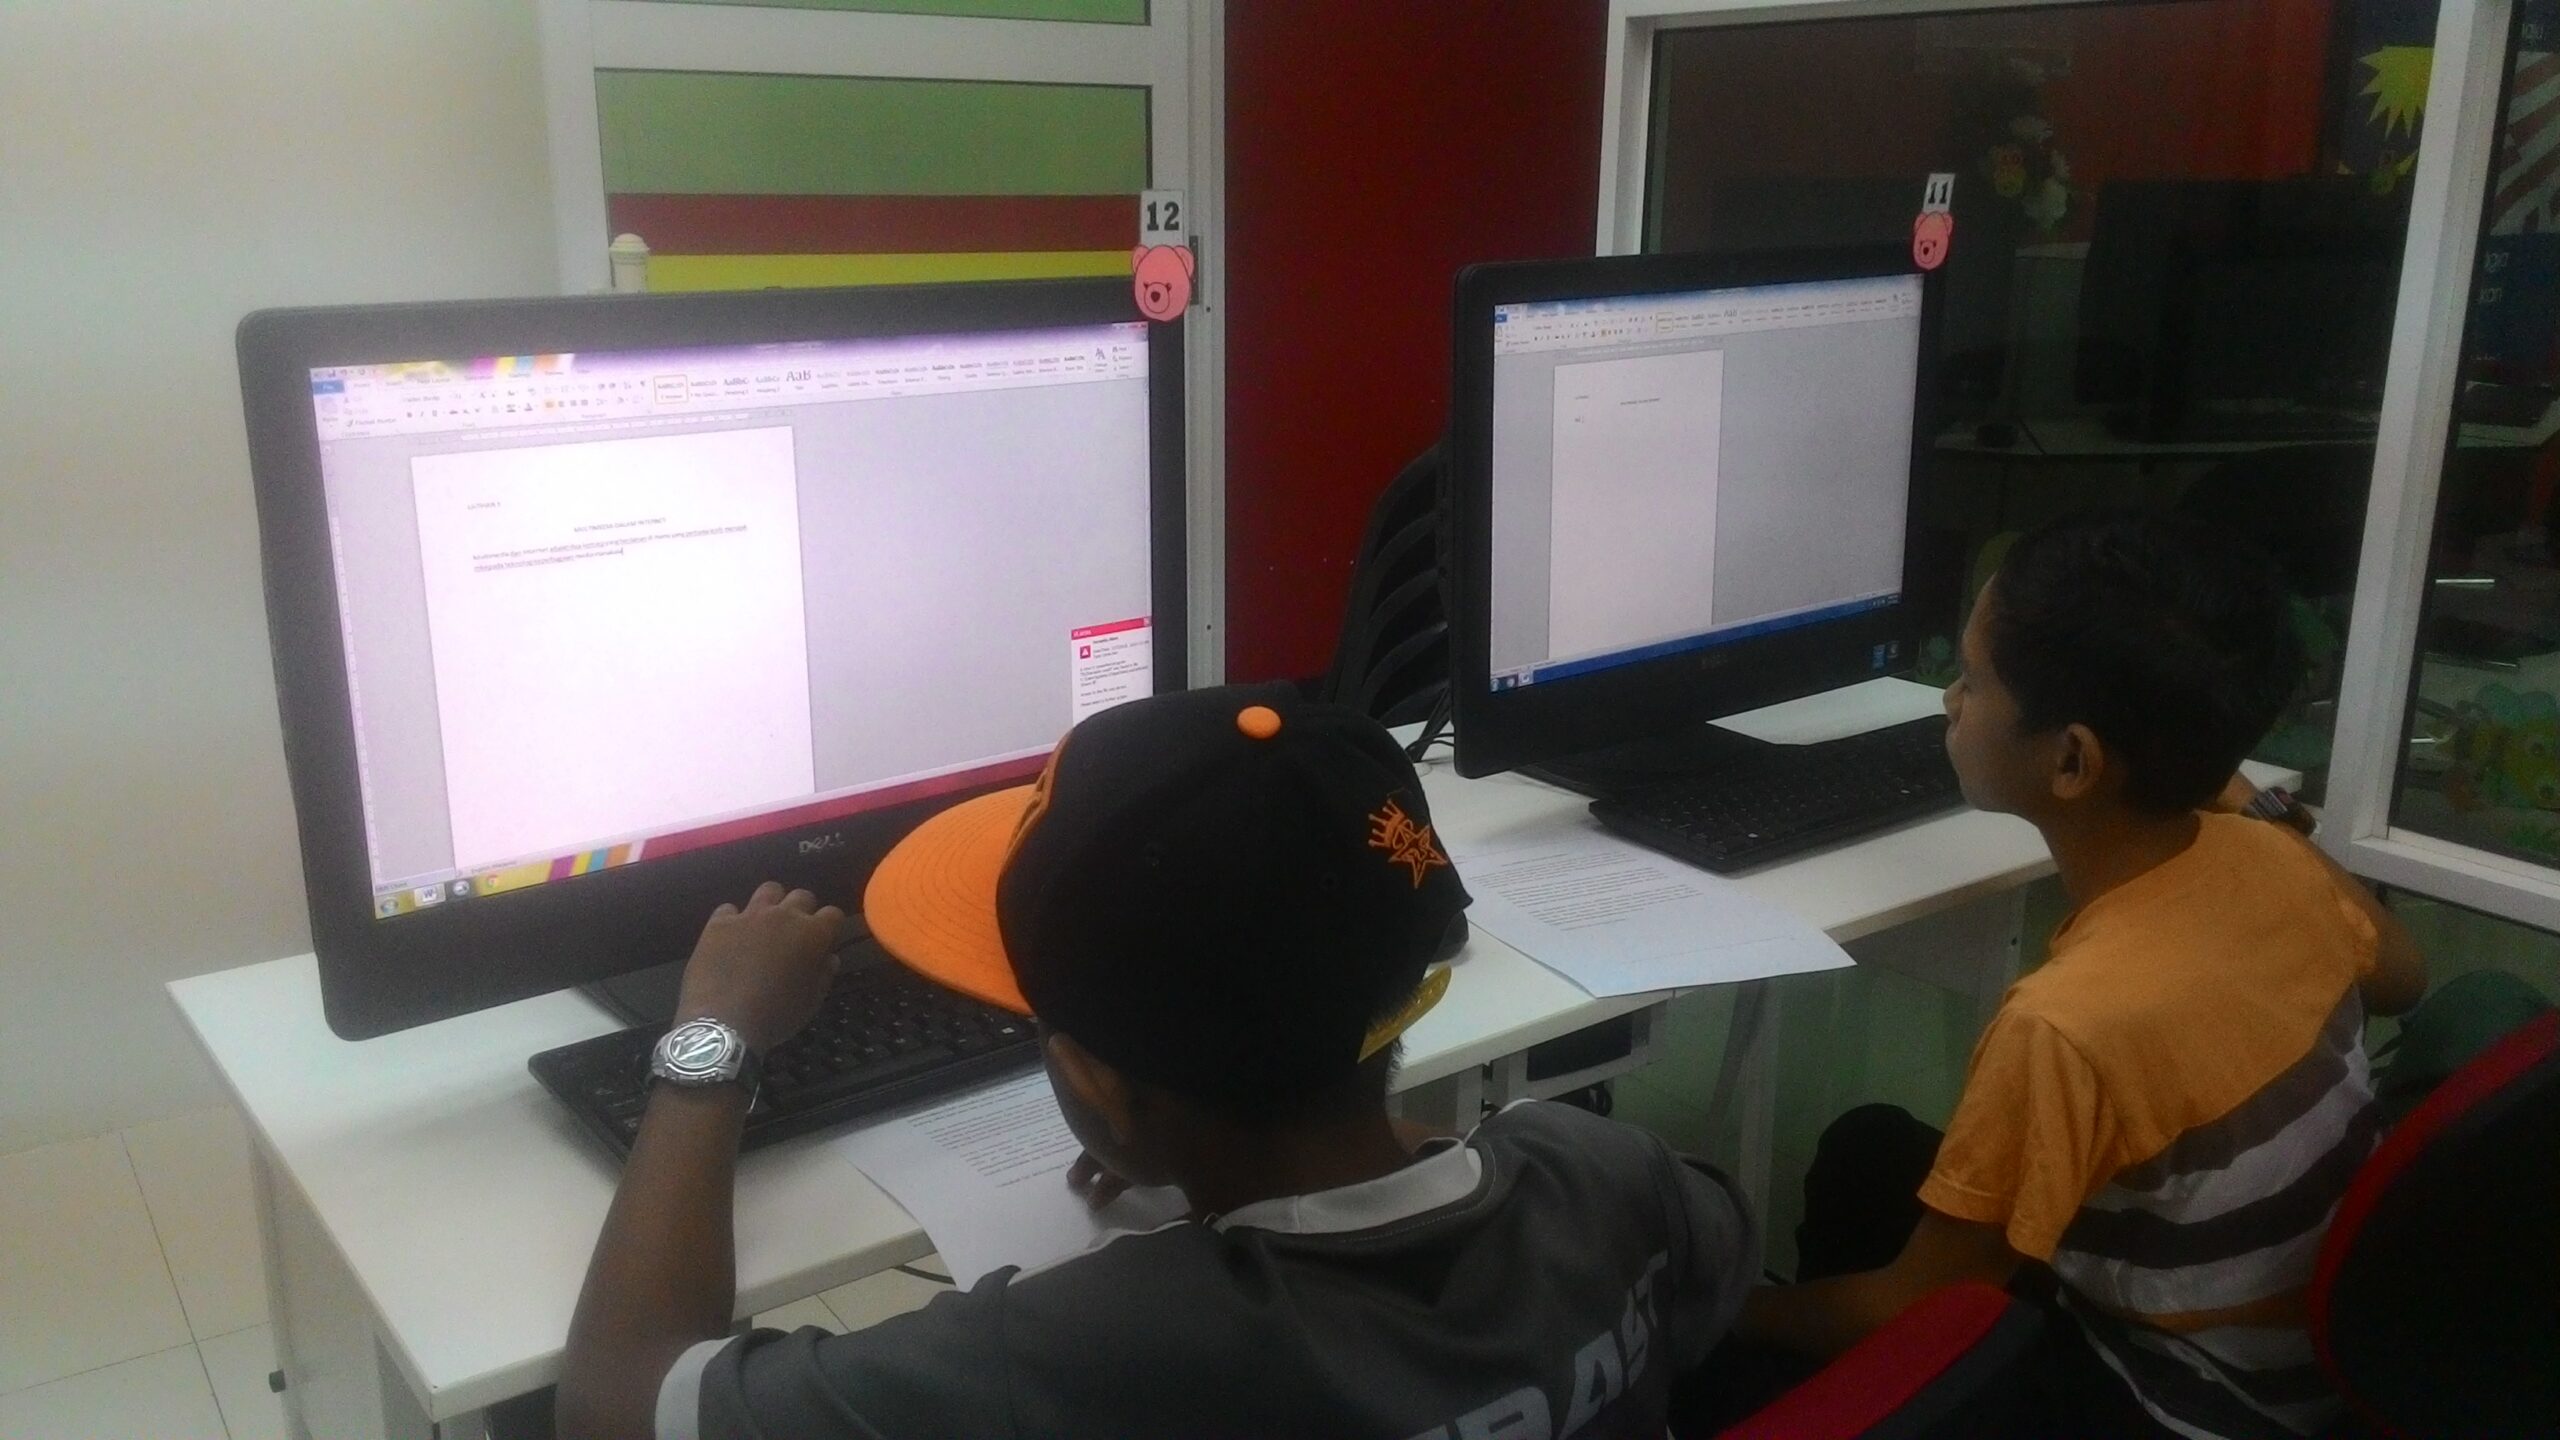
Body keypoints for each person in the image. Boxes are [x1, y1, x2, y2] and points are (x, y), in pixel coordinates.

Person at [558, 684, 1757, 1440]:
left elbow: (615, 1401)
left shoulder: (1093, 1353)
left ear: (1100, 1091)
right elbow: (1719, 1272)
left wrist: (710, 1037)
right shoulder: (1603, 1172)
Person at [1724, 511, 2427, 1439]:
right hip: (2307, 1356)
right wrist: (2232, 790)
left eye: (1973, 680)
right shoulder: (2276, 859)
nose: (1949, 701)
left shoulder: (2063, 1027)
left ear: (2072, 760)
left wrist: (1720, 1310)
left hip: (2183, 1404)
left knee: (1745, 1356)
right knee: (1869, 1151)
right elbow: (2404, 977)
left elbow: (1911, 1307)